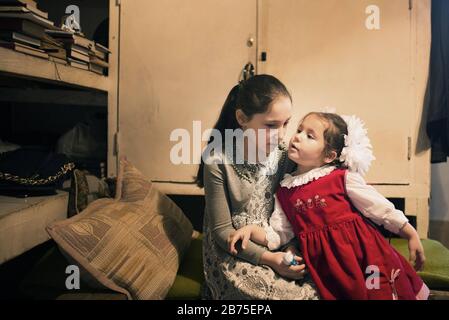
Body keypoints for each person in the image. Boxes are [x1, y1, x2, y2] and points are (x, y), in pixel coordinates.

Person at [228, 112, 430, 300]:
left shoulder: (341, 179)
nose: (297, 137)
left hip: (364, 255)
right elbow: (279, 233)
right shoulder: (284, 191)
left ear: (329, 156)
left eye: (310, 136)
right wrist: (251, 231)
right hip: (328, 266)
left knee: (379, 292)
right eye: (299, 130)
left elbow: (381, 209)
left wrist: (410, 234)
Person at [197, 75, 318, 299]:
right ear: (242, 118)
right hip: (235, 251)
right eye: (271, 125)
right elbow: (223, 232)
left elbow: (292, 213)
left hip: (276, 240)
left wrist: (291, 250)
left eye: (286, 123)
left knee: (322, 286)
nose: (282, 134)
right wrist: (271, 260)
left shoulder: (286, 158)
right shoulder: (217, 160)